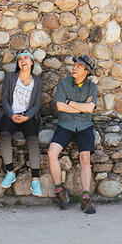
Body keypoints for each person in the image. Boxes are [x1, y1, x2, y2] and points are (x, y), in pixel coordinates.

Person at [48, 55, 97, 214]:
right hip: (66, 124)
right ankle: (59, 190)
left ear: (86, 71)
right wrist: (81, 106)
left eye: (79, 66)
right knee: (51, 153)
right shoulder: (63, 83)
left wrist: (70, 102)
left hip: (84, 126)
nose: (74, 68)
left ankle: (85, 197)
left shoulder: (92, 87)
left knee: (85, 157)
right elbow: (60, 107)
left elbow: (90, 109)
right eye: (74, 65)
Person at [0, 49, 43, 196]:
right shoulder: (10, 77)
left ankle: (35, 180)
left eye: (26, 58)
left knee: (33, 140)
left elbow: (37, 104)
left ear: (32, 62)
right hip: (11, 114)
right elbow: (4, 99)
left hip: (27, 116)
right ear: (18, 63)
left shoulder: (37, 81)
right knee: (4, 135)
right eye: (20, 59)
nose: (23, 61)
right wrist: (11, 114)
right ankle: (10, 172)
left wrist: (27, 116)